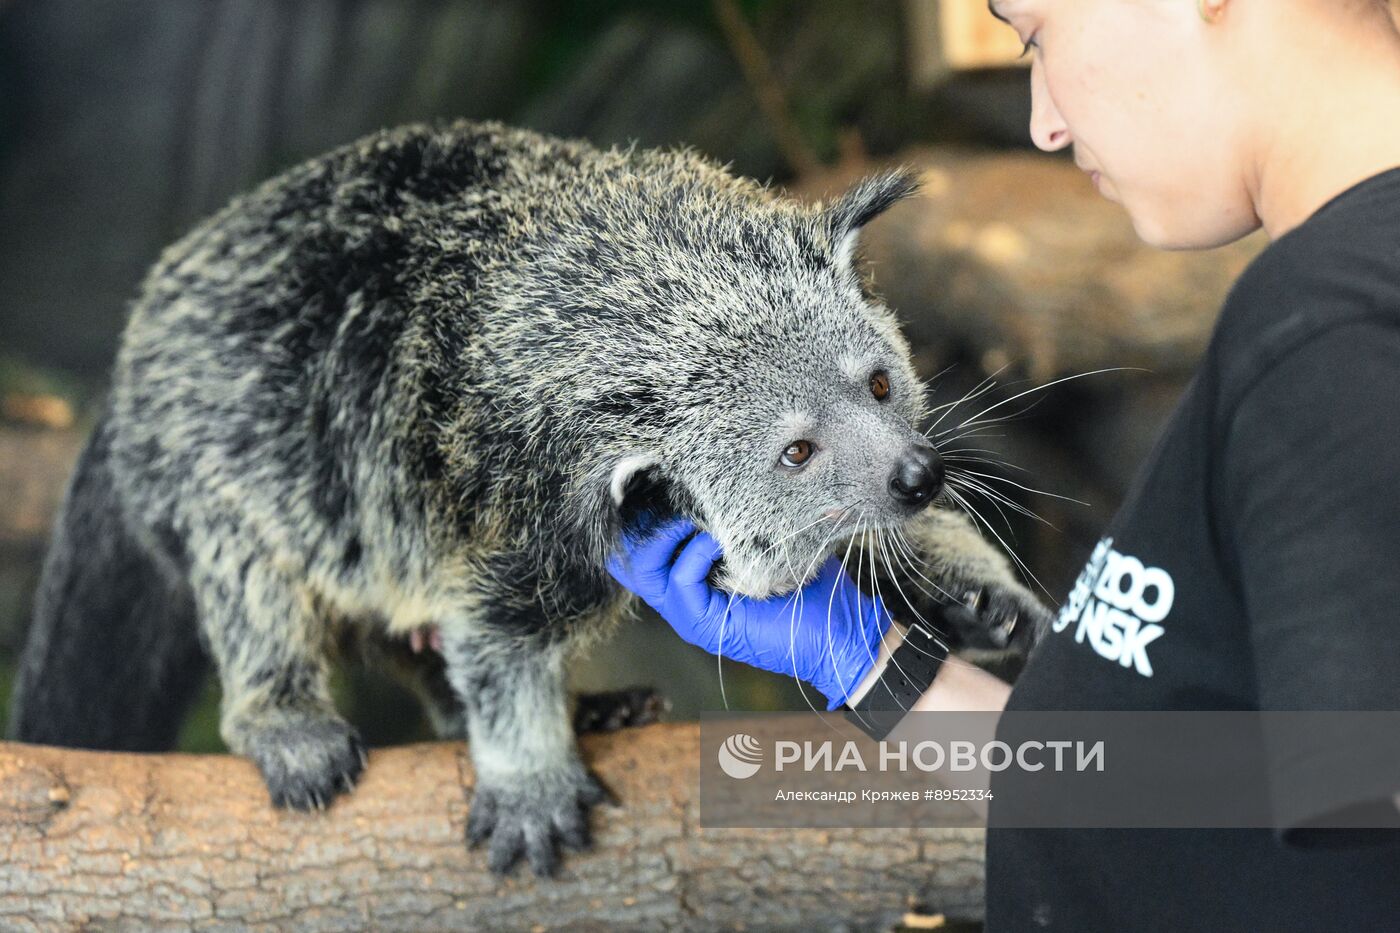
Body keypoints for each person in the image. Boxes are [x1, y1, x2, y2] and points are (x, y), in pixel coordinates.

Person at [606, 0, 1400, 929]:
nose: (1043, 121)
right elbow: (1191, 815)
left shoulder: (1336, 330)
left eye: (1036, 34)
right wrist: (877, 668)